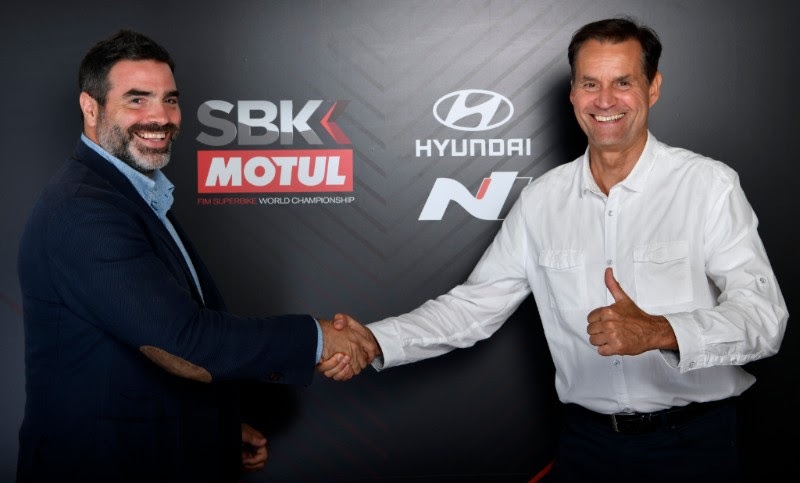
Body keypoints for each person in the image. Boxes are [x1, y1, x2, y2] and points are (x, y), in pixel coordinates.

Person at [319, 16, 788, 483]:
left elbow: (765, 319)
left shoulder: (708, 186)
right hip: (587, 446)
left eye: (623, 82)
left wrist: (660, 331)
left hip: (692, 447)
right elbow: (473, 307)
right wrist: (374, 341)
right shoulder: (541, 200)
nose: (605, 100)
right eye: (590, 83)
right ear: (573, 93)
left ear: (653, 88)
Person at [16, 29, 376, 483]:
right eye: (137, 99)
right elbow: (184, 343)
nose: (160, 117)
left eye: (169, 100)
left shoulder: (131, 193)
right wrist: (318, 338)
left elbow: (144, 348)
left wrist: (213, 431)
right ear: (91, 108)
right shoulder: (84, 211)